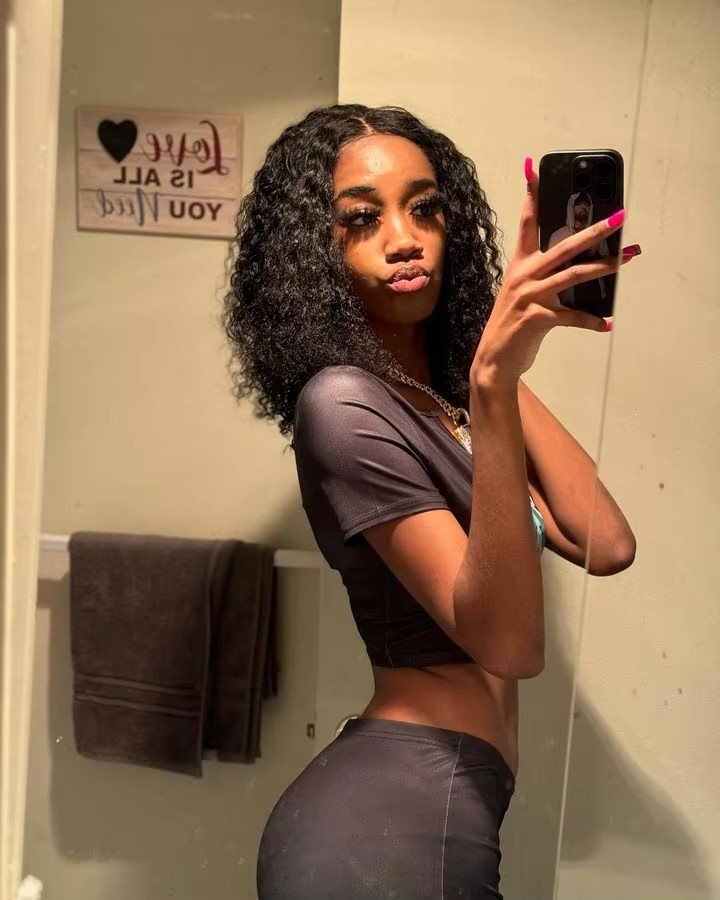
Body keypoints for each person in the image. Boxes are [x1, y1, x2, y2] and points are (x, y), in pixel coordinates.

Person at [223, 104, 638, 900]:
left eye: (425, 209)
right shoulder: (343, 405)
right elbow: (510, 647)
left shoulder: (445, 396)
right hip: (384, 826)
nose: (404, 238)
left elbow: (606, 541)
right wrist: (492, 384)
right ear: (313, 254)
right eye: (361, 219)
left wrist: (486, 355)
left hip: (442, 800)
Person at [549, 190, 611, 308]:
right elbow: (549, 268)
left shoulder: (598, 234)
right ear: (571, 207)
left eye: (586, 204)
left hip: (594, 295)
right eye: (578, 204)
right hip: (568, 297)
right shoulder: (558, 236)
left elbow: (608, 263)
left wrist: (595, 255)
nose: (583, 207)